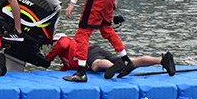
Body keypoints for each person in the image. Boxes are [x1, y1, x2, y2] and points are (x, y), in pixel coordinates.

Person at [46, 35, 176, 78]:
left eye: (53, 43)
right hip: (96, 50)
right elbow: (64, 71)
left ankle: (115, 67)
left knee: (96, 65)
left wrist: (48, 58)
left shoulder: (65, 40)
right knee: (132, 62)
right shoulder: (65, 61)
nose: (52, 46)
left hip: (89, 53)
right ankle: (162, 60)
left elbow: (62, 44)